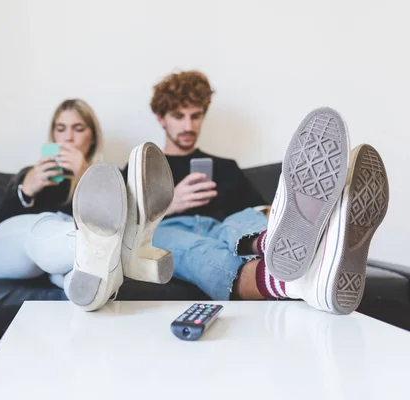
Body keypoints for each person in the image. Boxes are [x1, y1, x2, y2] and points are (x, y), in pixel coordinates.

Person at [118, 69, 390, 315]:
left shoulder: (227, 168)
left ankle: (283, 244)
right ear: (161, 118)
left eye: (195, 115)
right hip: (169, 228)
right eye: (179, 116)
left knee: (244, 219)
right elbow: (111, 220)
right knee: (194, 250)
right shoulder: (141, 166)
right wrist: (170, 204)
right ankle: (310, 269)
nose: (188, 126)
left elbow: (261, 210)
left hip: (227, 225)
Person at [0, 98, 104, 286]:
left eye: (78, 129)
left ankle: (78, 285)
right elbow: (1, 230)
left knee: (73, 270)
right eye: (60, 129)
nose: (68, 138)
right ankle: (87, 245)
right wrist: (26, 191)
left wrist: (86, 177)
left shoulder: (104, 180)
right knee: (49, 224)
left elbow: (105, 220)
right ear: (53, 135)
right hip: (8, 254)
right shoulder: (31, 174)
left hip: (52, 264)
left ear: (93, 137)